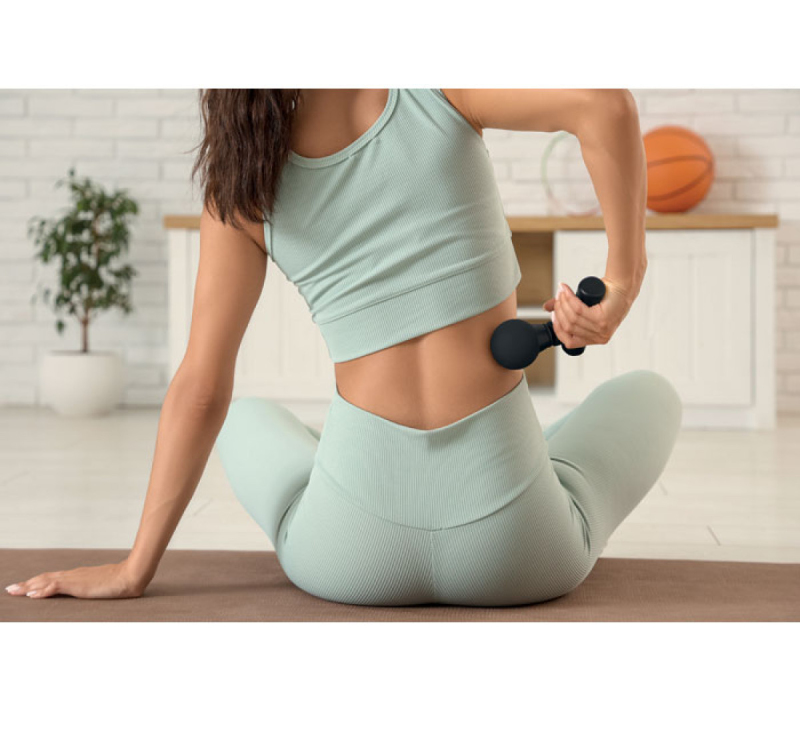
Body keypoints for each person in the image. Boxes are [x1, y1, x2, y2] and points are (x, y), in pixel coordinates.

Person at [6, 88, 681, 605]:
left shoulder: (240, 184)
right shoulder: (435, 88)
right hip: (516, 553)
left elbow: (202, 389)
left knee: (246, 417)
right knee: (651, 394)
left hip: (349, 557)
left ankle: (355, 467)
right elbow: (605, 105)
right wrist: (621, 283)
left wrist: (134, 569)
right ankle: (526, 458)